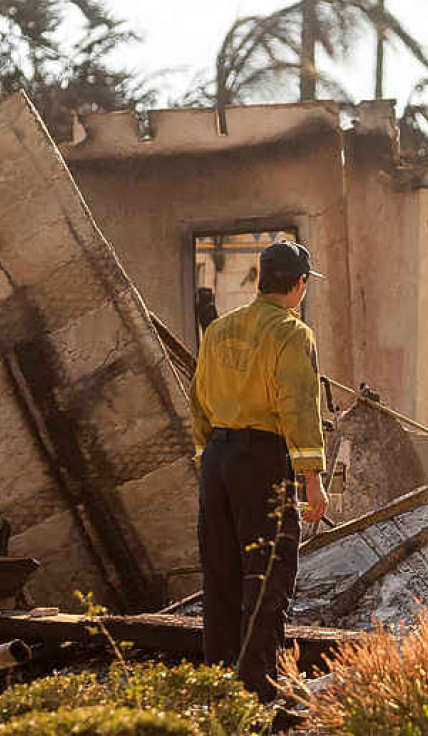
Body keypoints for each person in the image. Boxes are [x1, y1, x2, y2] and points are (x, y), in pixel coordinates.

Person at [189, 240, 329, 701]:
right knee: (266, 575)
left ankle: (218, 689)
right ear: (300, 284)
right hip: (261, 459)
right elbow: (298, 408)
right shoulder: (292, 332)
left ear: (262, 277)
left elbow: (199, 405)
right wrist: (313, 481)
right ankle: (256, 690)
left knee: (221, 576)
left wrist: (208, 464)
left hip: (217, 460)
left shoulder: (219, 331)